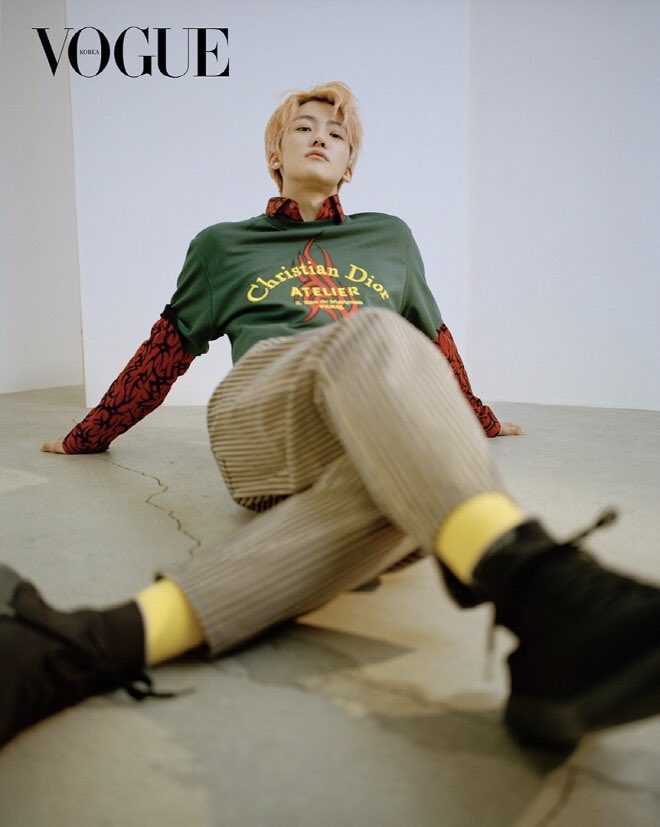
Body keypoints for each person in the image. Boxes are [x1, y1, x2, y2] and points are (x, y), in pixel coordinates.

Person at [3, 81, 660, 751]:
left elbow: (434, 340)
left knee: (406, 490)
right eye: (303, 127)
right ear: (275, 154)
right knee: (375, 336)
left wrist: (479, 419)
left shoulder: (391, 238)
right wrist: (88, 435)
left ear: (350, 163)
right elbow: (163, 352)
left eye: (337, 133)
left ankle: (92, 641)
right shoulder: (222, 245)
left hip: (366, 417)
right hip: (263, 408)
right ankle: (541, 582)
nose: (321, 136)